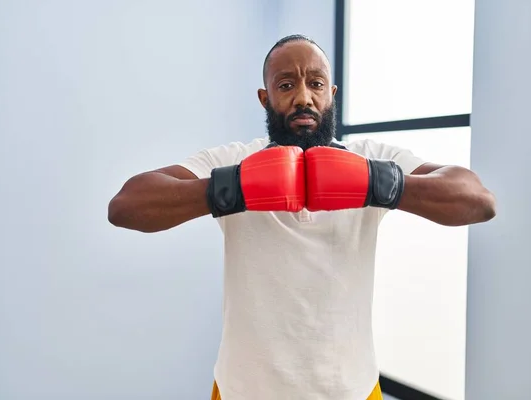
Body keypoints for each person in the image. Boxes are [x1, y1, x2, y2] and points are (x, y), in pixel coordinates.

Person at [108, 34, 496, 400]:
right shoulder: (233, 161)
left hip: (352, 390)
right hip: (243, 391)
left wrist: (376, 183)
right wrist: (234, 188)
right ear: (265, 98)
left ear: (332, 93)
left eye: (316, 83)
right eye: (286, 85)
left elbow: (477, 199)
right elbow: (127, 205)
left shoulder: (370, 156)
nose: (303, 97)